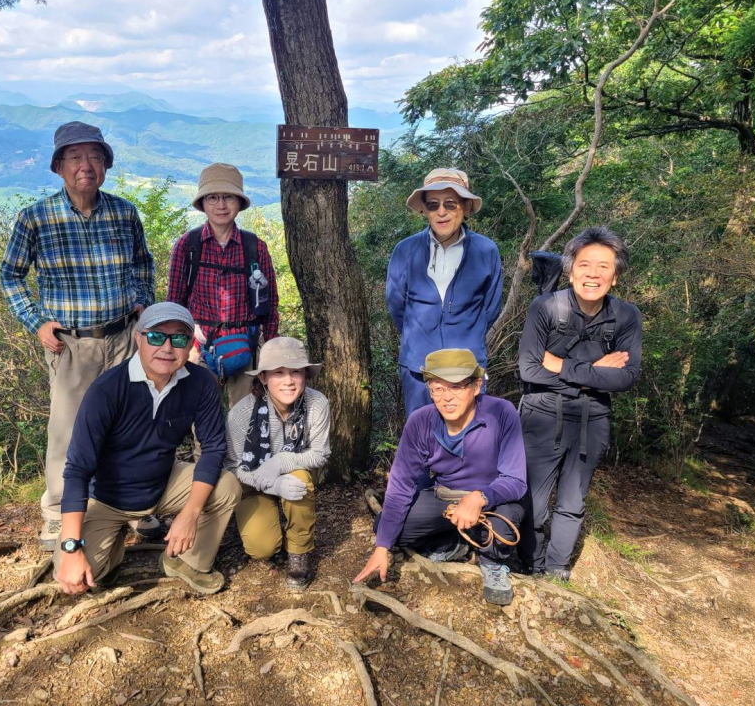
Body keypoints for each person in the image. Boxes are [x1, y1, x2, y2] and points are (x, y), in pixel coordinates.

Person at [0, 121, 157, 551]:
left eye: (94, 157)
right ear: (59, 167)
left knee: (131, 422)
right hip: (70, 344)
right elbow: (10, 275)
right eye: (75, 157)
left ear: (105, 165)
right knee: (67, 430)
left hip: (125, 335)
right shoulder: (35, 218)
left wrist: (143, 301)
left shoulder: (124, 213)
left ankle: (134, 505)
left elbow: (143, 264)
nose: (85, 165)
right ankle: (55, 513)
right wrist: (35, 321)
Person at [52, 303, 242, 596]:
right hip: (106, 498)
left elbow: (214, 448)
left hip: (161, 483)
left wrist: (190, 514)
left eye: (179, 338)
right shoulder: (107, 389)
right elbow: (77, 470)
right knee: (79, 578)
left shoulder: (200, 382)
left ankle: (186, 562)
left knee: (227, 485)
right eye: (156, 337)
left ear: (190, 343)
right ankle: (113, 540)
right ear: (138, 339)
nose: (167, 347)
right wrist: (70, 546)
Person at [354, 349, 527, 606]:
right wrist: (382, 548)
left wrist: (480, 497)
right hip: (445, 497)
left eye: (456, 387)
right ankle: (454, 544)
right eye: (437, 388)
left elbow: (516, 480)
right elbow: (401, 485)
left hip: (491, 499)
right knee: (386, 529)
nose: (447, 398)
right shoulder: (421, 421)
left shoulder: (502, 413)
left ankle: (491, 561)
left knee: (504, 531)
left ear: (476, 386)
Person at [518, 227, 642, 581]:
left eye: (603, 267)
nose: (593, 274)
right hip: (541, 415)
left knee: (573, 503)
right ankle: (530, 564)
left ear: (615, 277)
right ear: (570, 271)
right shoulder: (546, 307)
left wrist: (560, 366)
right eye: (585, 265)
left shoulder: (626, 316)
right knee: (533, 503)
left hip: (592, 419)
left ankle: (556, 570)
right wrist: (594, 372)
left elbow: (626, 377)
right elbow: (528, 368)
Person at [386, 168, 503, 418]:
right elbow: (396, 305)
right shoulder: (405, 251)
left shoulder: (485, 251)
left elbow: (491, 307)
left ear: (465, 207)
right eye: (433, 205)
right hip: (419, 366)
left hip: (467, 366)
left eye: (450, 204)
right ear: (424, 210)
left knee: (470, 440)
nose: (441, 212)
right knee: (421, 437)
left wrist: (465, 333)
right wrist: (419, 336)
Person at [167, 162, 279, 409]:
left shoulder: (255, 247)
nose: (221, 205)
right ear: (203, 203)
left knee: (247, 421)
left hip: (246, 345)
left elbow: (270, 304)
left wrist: (270, 353)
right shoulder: (188, 246)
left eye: (228, 197)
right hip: (200, 349)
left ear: (239, 202)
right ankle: (204, 451)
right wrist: (179, 346)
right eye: (213, 198)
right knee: (203, 420)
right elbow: (174, 304)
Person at [225, 337, 330, 591]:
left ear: (305, 375)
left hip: (294, 475)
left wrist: (282, 460)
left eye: (296, 372)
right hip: (251, 483)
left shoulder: (317, 404)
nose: (288, 381)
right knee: (262, 548)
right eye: (278, 373)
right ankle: (269, 523)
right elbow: (234, 466)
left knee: (300, 479)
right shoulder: (241, 413)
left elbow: (320, 454)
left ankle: (299, 552)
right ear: (263, 378)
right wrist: (272, 484)